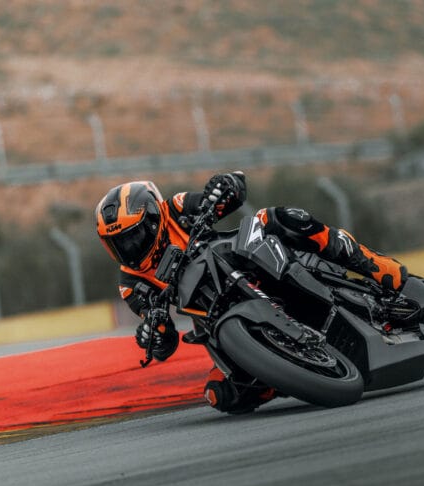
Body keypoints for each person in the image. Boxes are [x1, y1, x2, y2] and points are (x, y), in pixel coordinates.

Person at [95, 172, 407, 413]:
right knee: (219, 395)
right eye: (118, 243)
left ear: (153, 217)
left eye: (133, 236)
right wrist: (154, 333)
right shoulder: (131, 283)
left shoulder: (175, 208)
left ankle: (372, 264)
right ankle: (277, 375)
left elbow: (232, 191)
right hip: (212, 315)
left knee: (278, 218)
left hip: (242, 257)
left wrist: (223, 186)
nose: (129, 247)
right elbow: (162, 339)